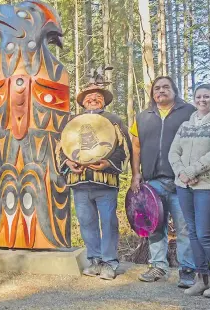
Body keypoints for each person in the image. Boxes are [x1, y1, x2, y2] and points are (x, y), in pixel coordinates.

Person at [59, 83, 131, 280]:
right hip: (80, 182)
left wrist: (108, 162)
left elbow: (124, 149)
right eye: (88, 96)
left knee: (108, 222)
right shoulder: (72, 122)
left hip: (105, 181)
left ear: (104, 100)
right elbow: (61, 148)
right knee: (86, 222)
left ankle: (110, 262)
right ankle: (94, 260)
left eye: (97, 96)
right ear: (82, 102)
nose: (92, 98)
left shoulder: (113, 120)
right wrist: (67, 162)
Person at [130, 76, 196, 287]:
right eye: (157, 88)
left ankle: (188, 270)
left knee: (184, 226)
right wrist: (135, 174)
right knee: (154, 227)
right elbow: (136, 147)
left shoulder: (189, 112)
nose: (161, 91)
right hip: (152, 182)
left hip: (182, 180)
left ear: (174, 90)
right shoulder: (142, 117)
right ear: (152, 93)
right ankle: (158, 266)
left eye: (166, 87)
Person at [168, 83, 210, 298]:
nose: (202, 100)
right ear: (194, 99)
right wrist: (182, 173)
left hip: (208, 186)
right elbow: (173, 152)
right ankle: (201, 278)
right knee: (192, 232)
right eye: (198, 96)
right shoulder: (185, 125)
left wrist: (192, 171)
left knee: (205, 233)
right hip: (184, 185)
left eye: (206, 96)